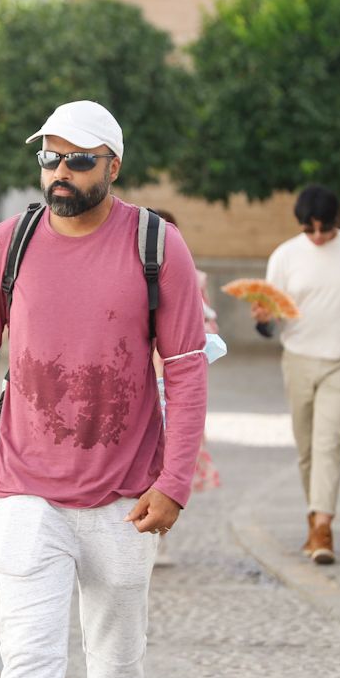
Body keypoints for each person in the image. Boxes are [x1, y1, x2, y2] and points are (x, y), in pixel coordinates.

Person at [0, 100, 208, 678]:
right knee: (30, 660)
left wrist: (175, 483)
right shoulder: (7, 246)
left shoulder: (156, 244)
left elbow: (187, 367)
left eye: (79, 160)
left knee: (117, 665)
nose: (61, 172)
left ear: (112, 165)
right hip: (26, 491)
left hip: (125, 499)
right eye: (50, 158)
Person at [253, 185, 340, 564]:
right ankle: (314, 518)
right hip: (297, 359)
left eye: (325, 229)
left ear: (338, 221)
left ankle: (323, 528)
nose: (317, 236)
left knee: (328, 443)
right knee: (307, 450)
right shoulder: (284, 256)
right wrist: (264, 320)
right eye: (309, 229)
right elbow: (269, 326)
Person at [150, 209, 221, 568]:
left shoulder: (195, 276)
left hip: (175, 378)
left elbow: (209, 329)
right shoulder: (133, 270)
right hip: (144, 374)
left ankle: (159, 538)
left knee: (172, 454)